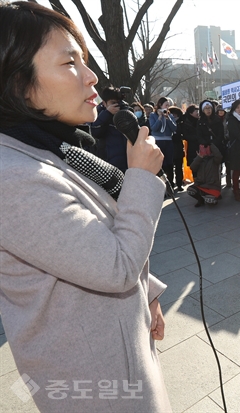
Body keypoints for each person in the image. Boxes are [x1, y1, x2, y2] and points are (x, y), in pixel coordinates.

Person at [0, 2, 171, 411]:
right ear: (19, 85)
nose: (92, 76)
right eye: (70, 62)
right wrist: (142, 179)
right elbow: (114, 266)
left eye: (86, 61)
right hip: (92, 383)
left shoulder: (53, 147)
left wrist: (148, 293)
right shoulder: (13, 176)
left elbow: (90, 235)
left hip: (118, 353)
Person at [90, 85, 129, 171]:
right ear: (104, 103)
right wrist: (107, 113)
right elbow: (95, 131)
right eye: (112, 103)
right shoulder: (97, 113)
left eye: (118, 102)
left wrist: (126, 112)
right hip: (108, 161)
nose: (116, 106)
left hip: (127, 160)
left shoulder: (124, 112)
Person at [149, 96, 177, 188]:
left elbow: (174, 128)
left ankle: (171, 183)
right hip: (158, 141)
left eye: (168, 106)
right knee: (161, 162)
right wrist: (160, 118)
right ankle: (161, 184)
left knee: (170, 162)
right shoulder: (153, 115)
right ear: (160, 105)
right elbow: (153, 128)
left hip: (168, 141)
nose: (167, 107)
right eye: (166, 105)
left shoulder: (170, 115)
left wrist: (168, 118)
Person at [188, 142, 223, 207]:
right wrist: (199, 157)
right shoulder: (199, 159)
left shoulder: (214, 160)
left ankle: (214, 198)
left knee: (210, 201)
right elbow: (192, 167)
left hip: (212, 186)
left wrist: (211, 145)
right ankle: (200, 200)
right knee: (190, 190)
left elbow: (219, 156)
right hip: (201, 185)